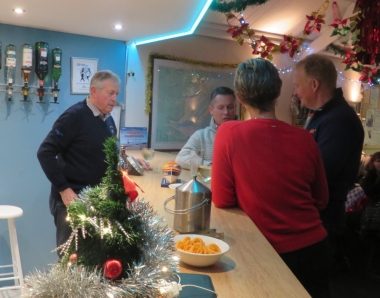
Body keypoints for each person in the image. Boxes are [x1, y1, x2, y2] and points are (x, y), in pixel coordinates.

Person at [212, 58, 330, 298]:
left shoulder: (229, 133)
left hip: (265, 251)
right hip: (314, 249)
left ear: (241, 99)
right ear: (278, 92)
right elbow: (321, 199)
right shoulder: (305, 138)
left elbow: (222, 199)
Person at [37, 70, 151, 249]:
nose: (114, 99)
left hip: (98, 200)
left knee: (95, 257)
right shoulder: (74, 116)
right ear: (94, 91)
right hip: (73, 200)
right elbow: (45, 152)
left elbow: (104, 152)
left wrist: (130, 160)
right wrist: (64, 189)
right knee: (72, 258)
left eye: (117, 94)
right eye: (110, 93)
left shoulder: (108, 119)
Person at [293, 54, 364, 257]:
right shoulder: (323, 115)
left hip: (324, 218)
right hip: (316, 215)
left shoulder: (339, 120)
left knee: (312, 285)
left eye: (297, 86)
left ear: (314, 84)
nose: (295, 92)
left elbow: (320, 173)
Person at [175, 86, 236, 168]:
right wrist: (210, 165)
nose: (226, 112)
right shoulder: (201, 136)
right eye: (221, 108)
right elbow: (181, 158)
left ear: (235, 109)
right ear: (211, 110)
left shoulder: (245, 135)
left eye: (230, 107)